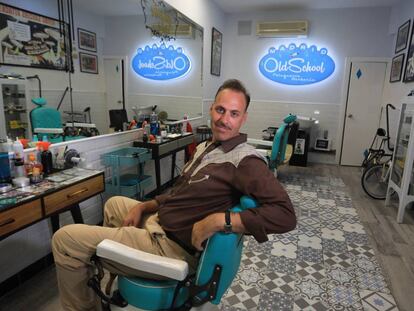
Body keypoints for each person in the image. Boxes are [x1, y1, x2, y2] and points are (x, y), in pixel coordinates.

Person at [52, 79, 296, 311]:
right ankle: (115, 271)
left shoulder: (245, 162)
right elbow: (180, 193)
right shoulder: (208, 147)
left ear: (244, 118)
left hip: (171, 247)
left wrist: (222, 220)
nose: (224, 120)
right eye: (220, 110)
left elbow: (285, 215)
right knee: (115, 204)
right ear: (211, 109)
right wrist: (147, 206)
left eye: (234, 114)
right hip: (162, 222)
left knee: (64, 241)